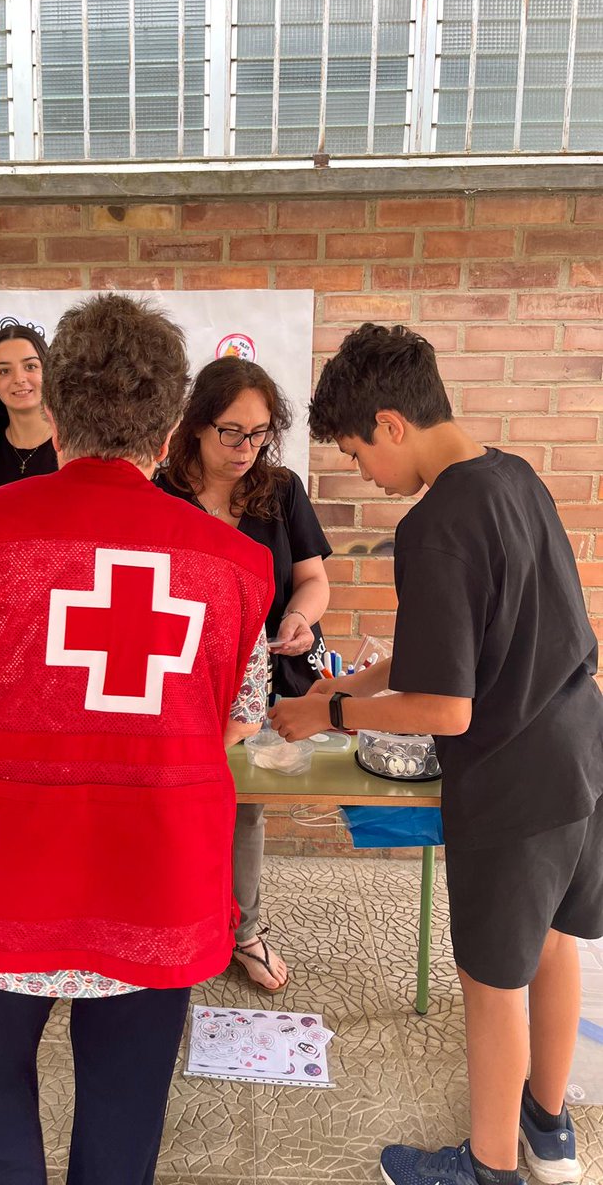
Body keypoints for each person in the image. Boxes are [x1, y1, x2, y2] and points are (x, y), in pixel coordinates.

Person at [0, 293, 274, 1185]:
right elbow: (240, 721)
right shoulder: (238, 565)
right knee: (128, 1106)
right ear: (171, 428)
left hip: (1, 875)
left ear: (54, 409)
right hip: (157, 880)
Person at [271, 323, 603, 1185]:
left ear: (390, 423)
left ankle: (486, 1168)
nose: (364, 477)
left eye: (354, 455)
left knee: (492, 981)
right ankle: (547, 1129)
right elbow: (447, 650)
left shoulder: (435, 526)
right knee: (556, 941)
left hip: (513, 779)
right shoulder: (514, 476)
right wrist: (349, 687)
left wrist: (332, 713)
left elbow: (446, 709)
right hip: (582, 750)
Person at [158, 356, 331, 992]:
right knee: (172, 807)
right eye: (231, 432)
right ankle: (171, 922)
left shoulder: (280, 490)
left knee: (246, 811)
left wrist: (298, 617)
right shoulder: (161, 491)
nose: (245, 448)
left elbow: (314, 580)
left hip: (263, 681)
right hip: (177, 682)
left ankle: (244, 930)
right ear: (196, 426)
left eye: (259, 434)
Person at [0, 323, 58, 487]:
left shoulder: (75, 444)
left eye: (30, 366)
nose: (19, 378)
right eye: (4, 371)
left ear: (49, 372)